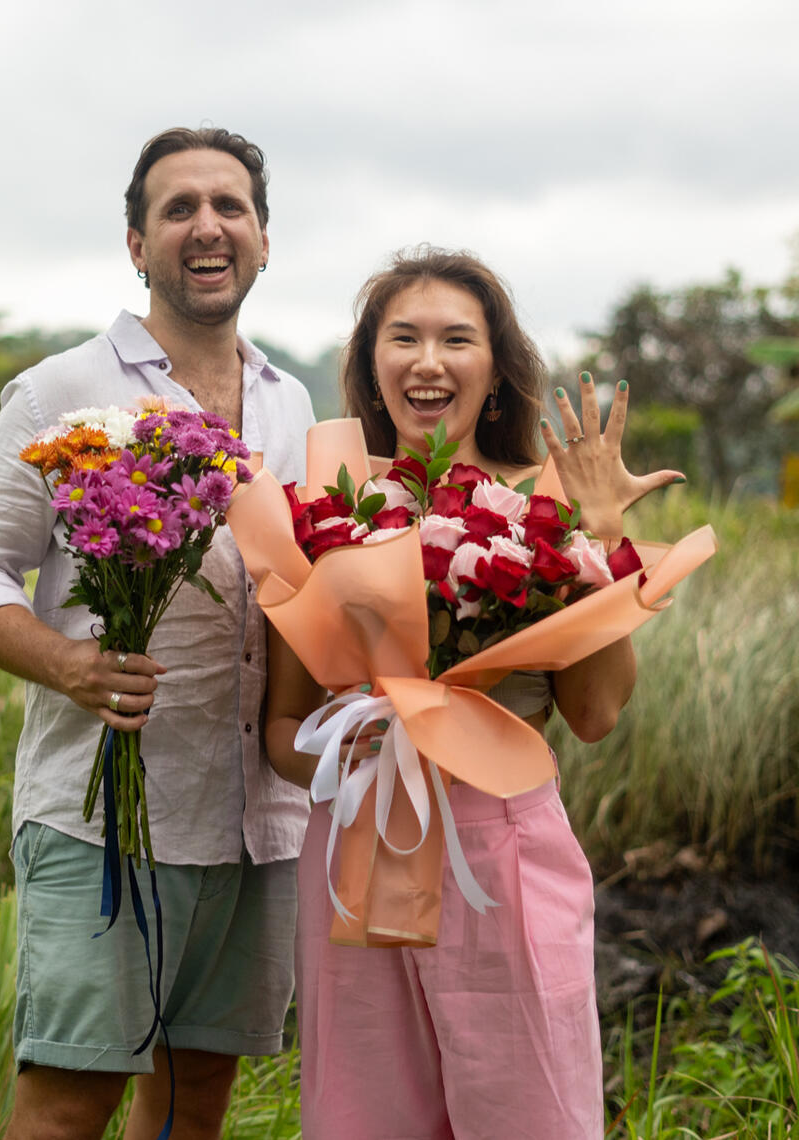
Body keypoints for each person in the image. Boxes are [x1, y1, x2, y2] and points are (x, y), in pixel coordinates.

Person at [0, 127, 315, 1140]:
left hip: (256, 823)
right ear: (137, 246)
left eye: (229, 207)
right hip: (106, 821)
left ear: (264, 241)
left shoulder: (293, 405)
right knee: (67, 1106)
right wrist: (64, 662)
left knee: (196, 1104)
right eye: (178, 208)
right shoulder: (66, 392)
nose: (207, 227)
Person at [263, 247, 684, 1139]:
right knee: (361, 1117)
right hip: (358, 851)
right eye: (403, 337)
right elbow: (281, 728)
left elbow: (596, 714)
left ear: (494, 370)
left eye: (458, 339)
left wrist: (604, 536)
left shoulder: (547, 506)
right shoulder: (325, 512)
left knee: (529, 1112)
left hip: (502, 853)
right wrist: (361, 751)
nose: (429, 360)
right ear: (373, 365)